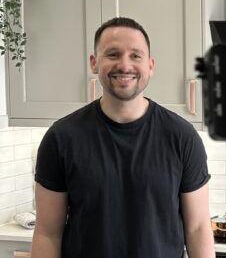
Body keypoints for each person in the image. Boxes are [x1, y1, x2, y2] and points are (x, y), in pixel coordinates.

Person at [31, 17, 215, 258]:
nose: (125, 65)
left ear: (150, 65)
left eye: (135, 56)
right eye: (113, 54)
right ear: (94, 63)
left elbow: (198, 228)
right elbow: (47, 234)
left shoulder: (182, 137)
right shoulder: (61, 138)